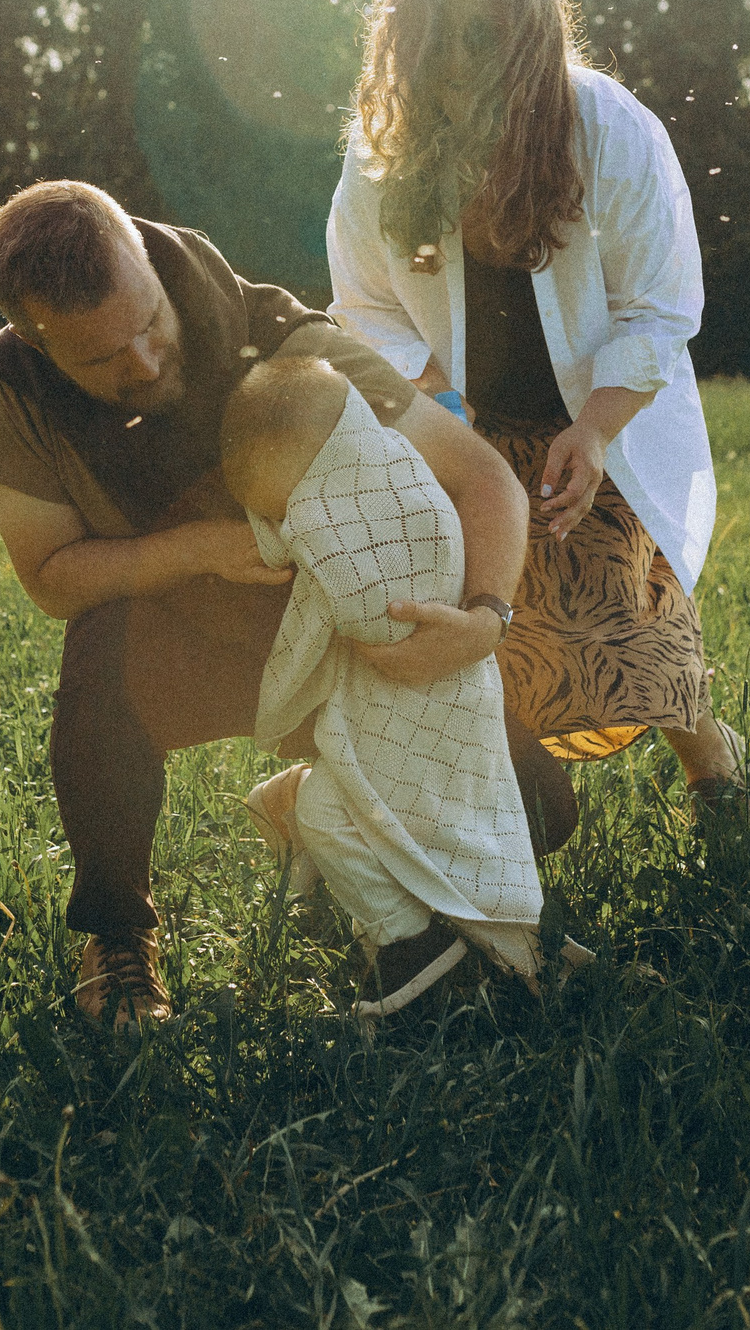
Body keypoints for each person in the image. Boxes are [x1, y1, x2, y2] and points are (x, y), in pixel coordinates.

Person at [0, 179, 546, 1028]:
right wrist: (199, 551)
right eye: (102, 358)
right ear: (35, 341)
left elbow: (484, 477)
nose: (146, 364)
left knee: (538, 811)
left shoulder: (285, 337)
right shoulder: (11, 387)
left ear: (150, 264)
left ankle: (313, 805)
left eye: (151, 324)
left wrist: (485, 618)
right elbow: (51, 577)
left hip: (329, 638)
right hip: (170, 640)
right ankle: (116, 933)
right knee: (97, 662)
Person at [326, 0, 747, 810]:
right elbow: (364, 307)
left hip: (605, 419)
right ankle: (502, 818)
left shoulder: (608, 128)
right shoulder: (384, 149)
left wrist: (593, 434)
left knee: (629, 620)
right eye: (437, 41)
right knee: (499, 628)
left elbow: (659, 305)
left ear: (529, 39)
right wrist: (439, 421)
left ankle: (715, 768)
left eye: (483, 40)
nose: (456, 67)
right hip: (467, 425)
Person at [221, 355, 544, 1016]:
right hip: (427, 707)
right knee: (361, 812)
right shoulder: (397, 470)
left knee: (346, 814)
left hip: (424, 702)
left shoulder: (363, 514)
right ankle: (424, 941)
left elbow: (356, 610)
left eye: (286, 507)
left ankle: (411, 940)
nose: (290, 524)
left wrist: (277, 535)